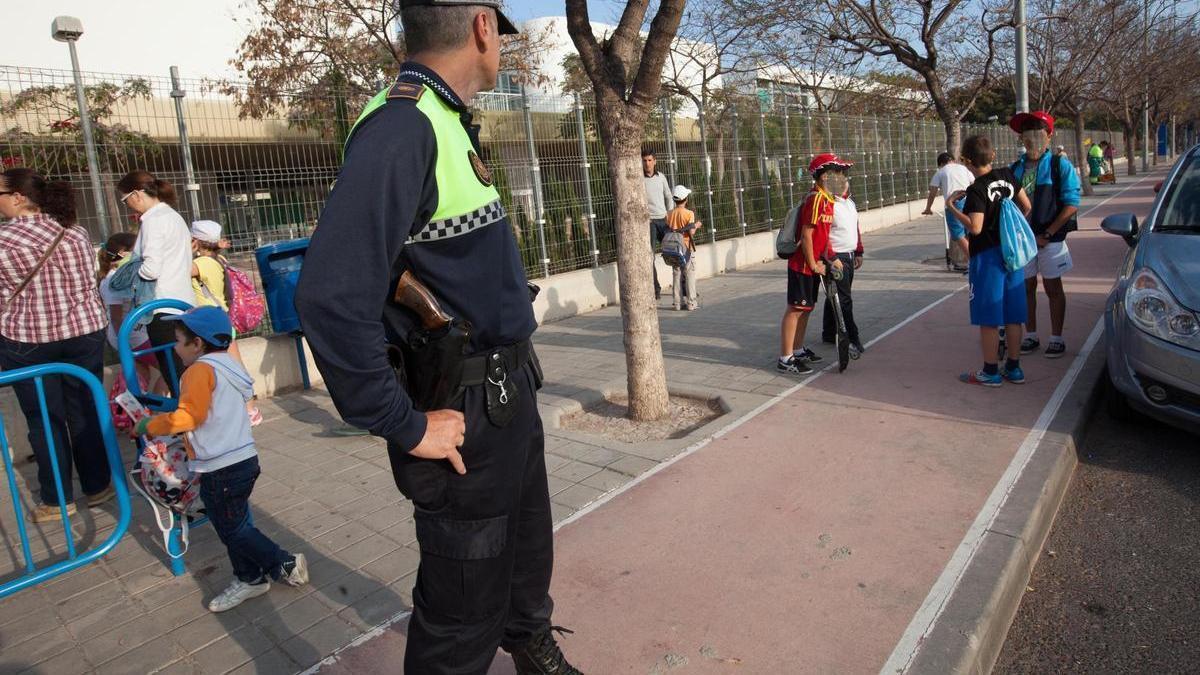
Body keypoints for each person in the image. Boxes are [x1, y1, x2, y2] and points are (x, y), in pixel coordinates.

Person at [292, 2, 580, 673]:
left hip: (507, 395)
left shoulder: (441, 117)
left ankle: (531, 641)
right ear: (483, 26)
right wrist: (404, 423)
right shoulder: (403, 125)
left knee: (526, 553)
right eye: (501, 35)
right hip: (460, 412)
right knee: (460, 613)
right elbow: (329, 297)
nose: (502, 47)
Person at [133, 306, 308, 612]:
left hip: (221, 467)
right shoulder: (228, 364)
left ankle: (283, 562)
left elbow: (190, 416)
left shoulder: (199, 371)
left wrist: (150, 425)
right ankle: (249, 578)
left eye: (178, 341)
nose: (175, 348)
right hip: (243, 459)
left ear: (197, 344)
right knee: (234, 523)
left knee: (233, 529)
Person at [0, 168, 113, 522]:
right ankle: (98, 486)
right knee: (84, 410)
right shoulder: (75, 232)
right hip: (83, 334)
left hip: (27, 340)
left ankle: (57, 498)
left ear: (18, 197)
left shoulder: (4, 242)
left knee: (44, 420)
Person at [946, 135, 1033, 386]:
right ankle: (1014, 368)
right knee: (1013, 315)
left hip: (988, 257)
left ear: (967, 161)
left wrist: (953, 207)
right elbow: (1026, 206)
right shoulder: (1007, 174)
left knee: (989, 318)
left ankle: (991, 371)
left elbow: (975, 227)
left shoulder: (977, 189)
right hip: (1012, 255)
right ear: (992, 155)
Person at [1008, 111, 1080, 360]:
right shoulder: (1014, 168)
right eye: (1026, 134)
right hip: (1022, 241)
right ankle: (1031, 335)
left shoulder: (1060, 165)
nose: (1031, 139)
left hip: (1051, 241)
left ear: (1049, 136)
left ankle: (1056, 338)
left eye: (1037, 133)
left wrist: (1048, 234)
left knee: (1052, 287)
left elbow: (1071, 203)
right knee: (1025, 287)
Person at [117, 170, 195, 392]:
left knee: (174, 373)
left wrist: (130, 270)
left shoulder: (153, 221)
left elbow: (151, 269)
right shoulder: (173, 216)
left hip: (161, 306)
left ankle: (188, 421)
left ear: (137, 194)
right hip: (183, 302)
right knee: (186, 370)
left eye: (125, 200)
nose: (128, 205)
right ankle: (195, 418)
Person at [778, 153, 851, 375]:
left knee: (806, 309)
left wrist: (832, 257)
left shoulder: (828, 200)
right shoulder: (816, 199)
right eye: (836, 173)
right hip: (802, 266)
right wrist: (812, 264)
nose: (841, 178)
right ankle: (785, 358)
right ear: (824, 176)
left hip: (814, 264)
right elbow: (807, 235)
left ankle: (798, 350)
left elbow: (823, 236)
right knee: (796, 309)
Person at [189, 220, 262, 426]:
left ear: (196, 241)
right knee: (232, 367)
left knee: (234, 368)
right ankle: (246, 408)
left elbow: (178, 269)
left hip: (214, 323)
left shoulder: (201, 264)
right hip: (218, 320)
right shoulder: (217, 259)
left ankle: (250, 410)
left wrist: (186, 250)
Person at [98, 232, 164, 395]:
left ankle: (137, 415)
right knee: (171, 370)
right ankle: (156, 412)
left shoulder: (118, 276)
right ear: (122, 253)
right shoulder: (114, 280)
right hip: (131, 336)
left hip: (130, 336)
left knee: (142, 379)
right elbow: (115, 317)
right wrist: (124, 344)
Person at [821, 173, 865, 356]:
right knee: (844, 299)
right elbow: (822, 235)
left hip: (848, 254)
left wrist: (859, 250)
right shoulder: (828, 205)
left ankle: (829, 332)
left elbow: (855, 227)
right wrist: (831, 256)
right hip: (836, 258)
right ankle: (852, 337)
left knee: (836, 295)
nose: (845, 184)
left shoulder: (849, 203)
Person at [922, 152, 974, 272]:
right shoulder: (964, 168)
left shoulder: (940, 172)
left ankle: (974, 262)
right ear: (952, 160)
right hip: (970, 201)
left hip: (954, 204)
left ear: (940, 163)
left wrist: (928, 208)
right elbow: (973, 183)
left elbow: (933, 192)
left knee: (958, 234)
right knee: (969, 232)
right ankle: (974, 260)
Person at [665, 185, 702, 311]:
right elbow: (691, 232)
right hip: (685, 247)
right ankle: (691, 302)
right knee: (689, 273)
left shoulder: (669, 214)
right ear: (685, 199)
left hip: (673, 248)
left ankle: (677, 303)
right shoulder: (689, 213)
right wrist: (696, 225)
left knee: (676, 273)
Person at [643, 149, 674, 301]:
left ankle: (682, 288)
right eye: (644, 160)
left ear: (655, 161)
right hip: (650, 223)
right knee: (650, 257)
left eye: (649, 160)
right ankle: (656, 290)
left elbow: (669, 195)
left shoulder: (661, 177)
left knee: (675, 251)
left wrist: (669, 214)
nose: (647, 163)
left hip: (663, 220)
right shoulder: (639, 179)